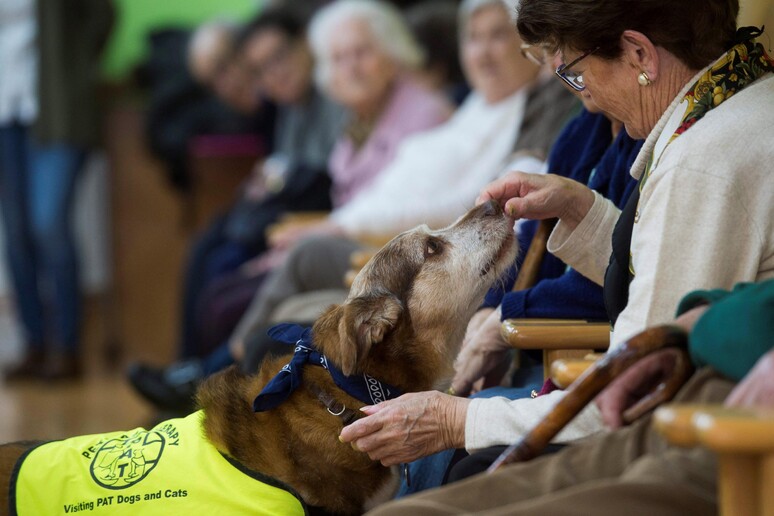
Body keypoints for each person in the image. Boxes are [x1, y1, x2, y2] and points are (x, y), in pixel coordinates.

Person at [337, 0, 774, 475]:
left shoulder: (702, 163)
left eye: (577, 75)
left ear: (639, 56)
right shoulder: (740, 104)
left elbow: (629, 388)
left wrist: (454, 419)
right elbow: (670, 269)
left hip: (701, 455)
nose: (580, 94)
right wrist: (581, 210)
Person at [126, 0, 580, 413]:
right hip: (394, 247)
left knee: (267, 279)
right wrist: (334, 224)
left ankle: (218, 385)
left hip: (418, 260)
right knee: (224, 263)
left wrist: (336, 227)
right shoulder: (475, 109)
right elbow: (391, 192)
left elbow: (471, 203)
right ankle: (215, 385)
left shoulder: (508, 111)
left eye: (498, 36)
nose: (483, 53)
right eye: (473, 38)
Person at [369, 277, 774, 515]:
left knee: (457, 459)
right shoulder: (635, 145)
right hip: (702, 376)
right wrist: (691, 325)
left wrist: (459, 420)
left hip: (744, 433)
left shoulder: (698, 155)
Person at [0, 0, 114, 381]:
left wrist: (77, 68)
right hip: (5, 112)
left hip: (58, 106)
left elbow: (102, 15)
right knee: (16, 234)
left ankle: (67, 348)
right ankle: (34, 344)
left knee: (48, 223)